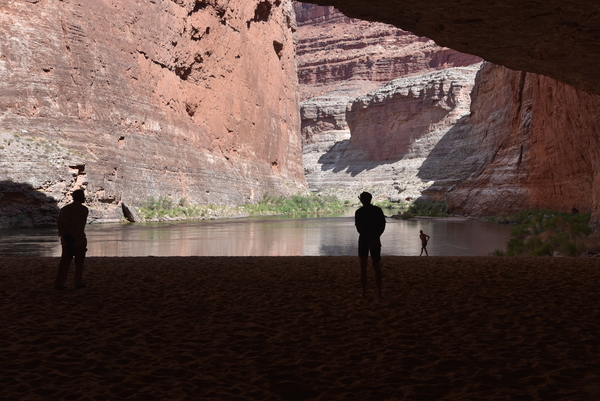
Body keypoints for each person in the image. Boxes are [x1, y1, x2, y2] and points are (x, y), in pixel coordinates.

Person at [54, 189, 89, 290]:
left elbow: (60, 224)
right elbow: (79, 225)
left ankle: (59, 284)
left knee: (64, 263)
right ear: (81, 197)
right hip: (79, 240)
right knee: (79, 264)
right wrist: (75, 237)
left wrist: (65, 236)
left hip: (66, 240)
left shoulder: (64, 209)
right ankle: (77, 283)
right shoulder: (84, 210)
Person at [355, 192, 386, 299]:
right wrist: (375, 238)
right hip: (375, 241)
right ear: (371, 199)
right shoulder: (378, 210)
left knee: (363, 268)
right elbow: (382, 226)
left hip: (363, 241)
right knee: (376, 267)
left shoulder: (359, 212)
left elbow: (359, 229)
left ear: (361, 200)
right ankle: (379, 292)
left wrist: (368, 240)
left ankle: (363, 293)